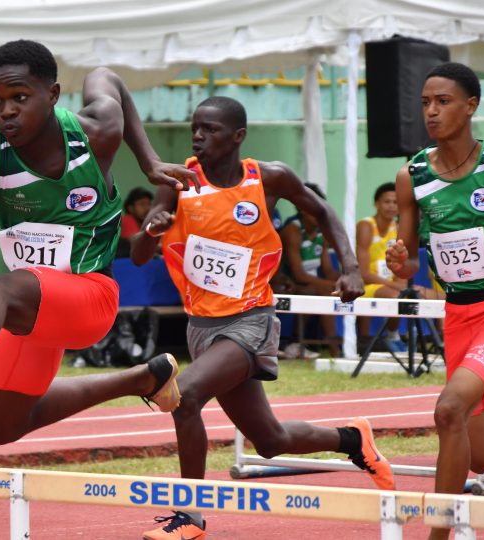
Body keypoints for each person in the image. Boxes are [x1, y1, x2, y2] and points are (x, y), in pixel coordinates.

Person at [0, 40, 201, 447]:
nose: (6, 110)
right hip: (33, 307)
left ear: (53, 95)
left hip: (90, 297)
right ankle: (143, 378)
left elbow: (107, 77)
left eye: (19, 98)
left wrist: (149, 161)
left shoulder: (95, 133)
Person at [132, 96, 394, 540]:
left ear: (238, 136)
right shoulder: (175, 182)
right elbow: (140, 256)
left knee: (185, 395)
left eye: (210, 129)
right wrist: (152, 228)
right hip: (202, 326)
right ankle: (352, 438)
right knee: (270, 441)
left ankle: (189, 519)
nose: (198, 136)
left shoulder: (267, 177)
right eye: (196, 127)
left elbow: (323, 211)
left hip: (250, 319)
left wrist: (350, 267)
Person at [386, 62, 484, 540]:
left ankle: (437, 535)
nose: (431, 111)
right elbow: (407, 266)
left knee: (448, 410)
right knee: (481, 451)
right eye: (426, 102)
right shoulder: (413, 174)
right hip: (458, 315)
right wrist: (398, 258)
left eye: (443, 101)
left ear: (471, 106)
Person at [280, 182, 341, 358]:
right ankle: (333, 350)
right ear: (303, 209)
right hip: (287, 281)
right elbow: (298, 274)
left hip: (311, 281)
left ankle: (350, 343)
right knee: (326, 292)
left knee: (342, 289)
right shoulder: (293, 230)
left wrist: (345, 277)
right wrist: (331, 284)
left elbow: (328, 269)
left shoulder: (321, 232)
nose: (321, 213)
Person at [356, 182, 409, 350]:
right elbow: (363, 273)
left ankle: (441, 341)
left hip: (387, 284)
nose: (391, 206)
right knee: (396, 296)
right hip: (364, 285)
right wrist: (398, 285)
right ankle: (370, 340)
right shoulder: (366, 226)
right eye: (387, 202)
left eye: (395, 202)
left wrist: (401, 283)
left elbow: (402, 264)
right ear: (376, 204)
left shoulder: (399, 228)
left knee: (431, 295)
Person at [116, 186, 154, 257]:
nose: (147, 208)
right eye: (142, 204)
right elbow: (139, 244)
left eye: (149, 204)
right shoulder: (127, 220)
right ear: (131, 208)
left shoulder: (149, 222)